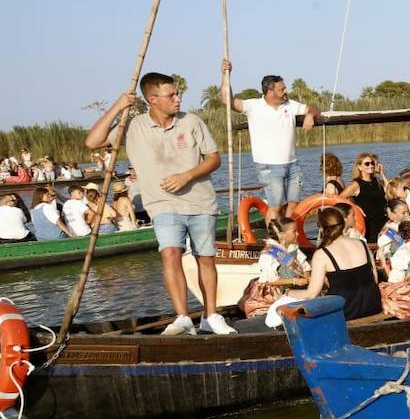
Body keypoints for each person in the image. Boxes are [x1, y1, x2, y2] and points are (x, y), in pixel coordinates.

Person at [85, 73, 233, 335]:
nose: (178, 99)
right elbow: (92, 142)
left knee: (206, 258)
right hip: (163, 204)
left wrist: (187, 175)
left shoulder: (191, 122)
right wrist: (119, 106)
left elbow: (214, 159)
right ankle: (183, 316)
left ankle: (211, 315)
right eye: (171, 95)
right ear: (152, 99)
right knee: (170, 253)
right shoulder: (132, 127)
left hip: (200, 201)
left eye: (178, 94)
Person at [221, 61, 318, 220]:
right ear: (270, 92)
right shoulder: (253, 106)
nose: (286, 91)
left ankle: (285, 237)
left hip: (292, 163)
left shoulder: (290, 105)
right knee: (276, 207)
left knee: (293, 204)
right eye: (282, 89)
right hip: (269, 166)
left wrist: (309, 115)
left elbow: (314, 108)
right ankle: (275, 241)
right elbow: (227, 101)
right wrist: (226, 76)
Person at [273, 206, 382, 323]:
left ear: (321, 228)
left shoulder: (322, 254)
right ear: (342, 223)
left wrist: (287, 293)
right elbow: (374, 279)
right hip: (372, 305)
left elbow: (311, 294)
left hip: (345, 311)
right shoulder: (362, 244)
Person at [238, 218, 310, 318]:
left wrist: (306, 277)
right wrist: (294, 281)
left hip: (295, 286)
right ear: (281, 234)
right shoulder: (269, 253)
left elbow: (305, 266)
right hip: (275, 291)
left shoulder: (293, 248)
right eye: (294, 231)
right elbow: (269, 280)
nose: (297, 234)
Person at [340, 153, 389, 240]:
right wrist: (355, 207)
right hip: (368, 223)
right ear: (359, 167)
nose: (371, 165)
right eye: (367, 164)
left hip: (383, 220)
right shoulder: (356, 184)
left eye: (372, 163)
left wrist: (382, 173)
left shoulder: (377, 180)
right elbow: (339, 199)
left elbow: (390, 191)